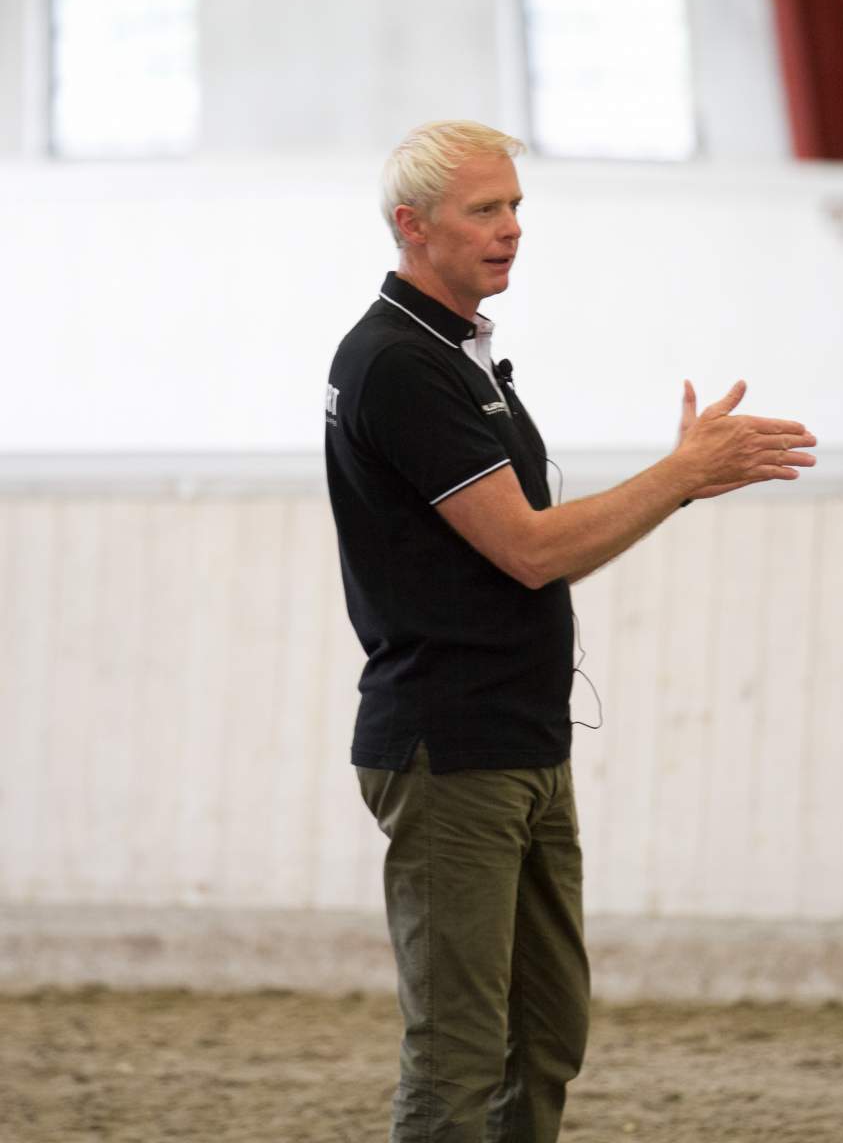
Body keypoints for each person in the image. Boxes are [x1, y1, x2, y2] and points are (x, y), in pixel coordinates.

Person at [323, 120, 817, 1142]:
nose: (511, 228)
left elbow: (534, 548)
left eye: (515, 206)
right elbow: (530, 550)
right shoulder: (399, 363)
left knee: (545, 1034)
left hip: (519, 740)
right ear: (412, 225)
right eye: (484, 210)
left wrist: (678, 484)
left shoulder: (457, 357)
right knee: (460, 1051)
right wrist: (678, 476)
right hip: (453, 748)